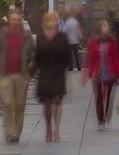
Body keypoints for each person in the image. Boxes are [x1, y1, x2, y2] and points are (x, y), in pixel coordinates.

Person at [0, 10, 35, 144]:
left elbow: (33, 53)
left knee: (19, 104)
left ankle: (16, 132)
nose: (16, 22)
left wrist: (32, 63)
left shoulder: (27, 36)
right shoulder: (1, 35)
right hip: (4, 74)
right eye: (14, 19)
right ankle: (8, 131)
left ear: (21, 21)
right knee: (8, 103)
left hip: (22, 75)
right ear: (9, 20)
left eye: (19, 19)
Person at [35, 12, 71, 143]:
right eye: (49, 20)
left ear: (57, 22)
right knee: (47, 103)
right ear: (45, 22)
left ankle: (57, 129)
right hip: (45, 73)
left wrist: (64, 68)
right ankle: (48, 128)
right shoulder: (40, 37)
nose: (51, 23)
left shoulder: (63, 37)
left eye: (54, 20)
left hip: (58, 73)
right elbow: (37, 56)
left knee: (57, 101)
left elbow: (68, 57)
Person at [82, 20, 119, 130]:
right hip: (97, 72)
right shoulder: (92, 41)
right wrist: (85, 74)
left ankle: (107, 116)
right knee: (99, 97)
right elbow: (88, 57)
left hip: (110, 72)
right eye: (104, 26)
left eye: (107, 26)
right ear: (99, 28)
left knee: (108, 97)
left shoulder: (112, 41)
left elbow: (116, 58)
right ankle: (101, 120)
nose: (106, 28)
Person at [63, 7, 83, 71]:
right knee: (76, 55)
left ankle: (70, 67)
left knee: (70, 55)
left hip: (69, 41)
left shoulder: (67, 22)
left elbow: (64, 31)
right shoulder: (76, 22)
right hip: (75, 41)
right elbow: (78, 31)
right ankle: (79, 67)